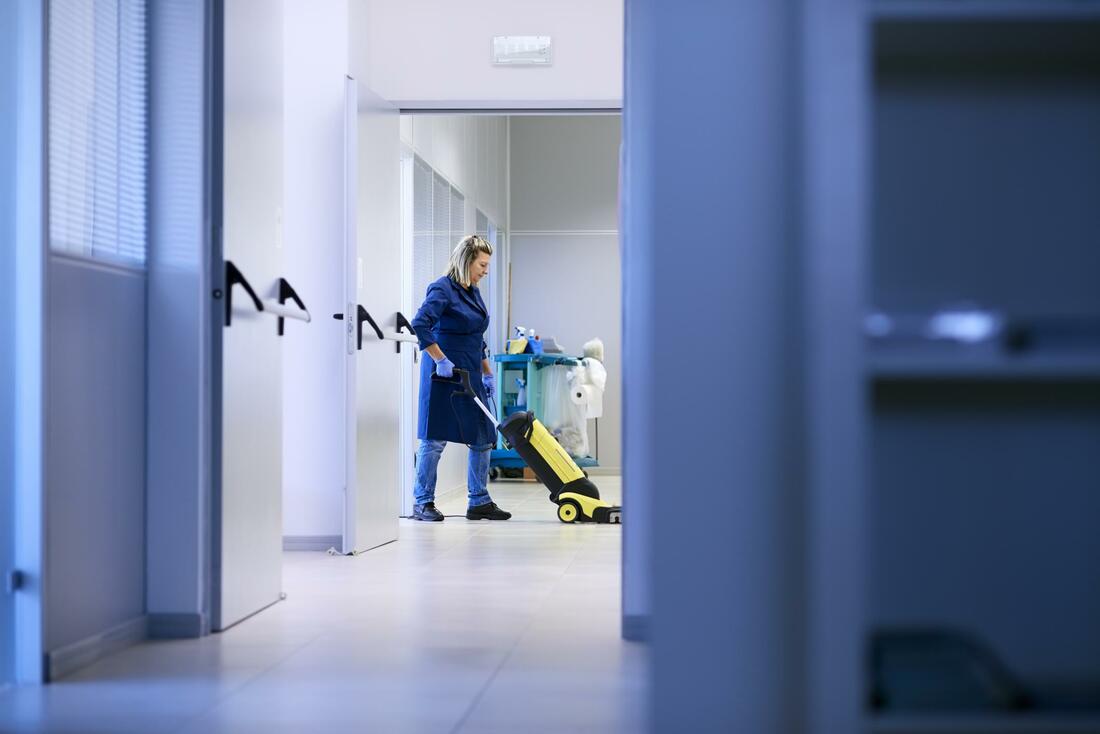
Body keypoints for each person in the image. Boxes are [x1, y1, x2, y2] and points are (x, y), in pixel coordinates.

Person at [410, 235, 511, 522]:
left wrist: (488, 373)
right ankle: (422, 502)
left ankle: (479, 500)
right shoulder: (443, 288)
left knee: (482, 436)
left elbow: (477, 337)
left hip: (471, 372)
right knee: (435, 438)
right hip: (444, 373)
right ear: (467, 260)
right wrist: (440, 359)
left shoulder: (473, 291)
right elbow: (420, 324)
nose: (485, 270)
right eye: (482, 264)